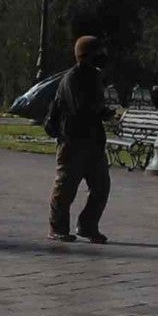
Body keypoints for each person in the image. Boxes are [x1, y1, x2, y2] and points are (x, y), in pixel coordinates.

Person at [45, 35, 111, 244]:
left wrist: (102, 112)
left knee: (101, 187)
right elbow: (79, 109)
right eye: (98, 53)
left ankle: (87, 226)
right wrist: (100, 111)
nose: (103, 57)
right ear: (86, 55)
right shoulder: (72, 78)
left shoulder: (94, 76)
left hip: (93, 142)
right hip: (73, 141)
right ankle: (58, 227)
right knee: (65, 188)